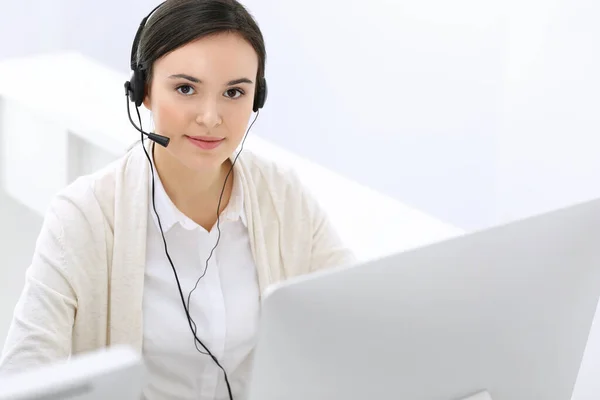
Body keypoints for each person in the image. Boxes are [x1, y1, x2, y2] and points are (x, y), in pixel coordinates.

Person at [0, 0, 355, 399]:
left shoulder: (282, 195)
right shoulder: (85, 216)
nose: (210, 117)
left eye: (234, 92)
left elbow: (354, 314)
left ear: (257, 98)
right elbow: (24, 375)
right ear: (143, 91)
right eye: (186, 88)